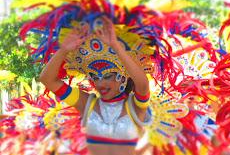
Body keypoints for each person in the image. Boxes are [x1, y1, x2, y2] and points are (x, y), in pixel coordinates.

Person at [39, 16, 152, 155]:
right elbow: (47, 80)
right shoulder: (87, 103)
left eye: (108, 76)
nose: (99, 84)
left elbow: (143, 84)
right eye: (94, 77)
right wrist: (63, 50)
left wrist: (116, 46)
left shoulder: (135, 107)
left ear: (122, 78)